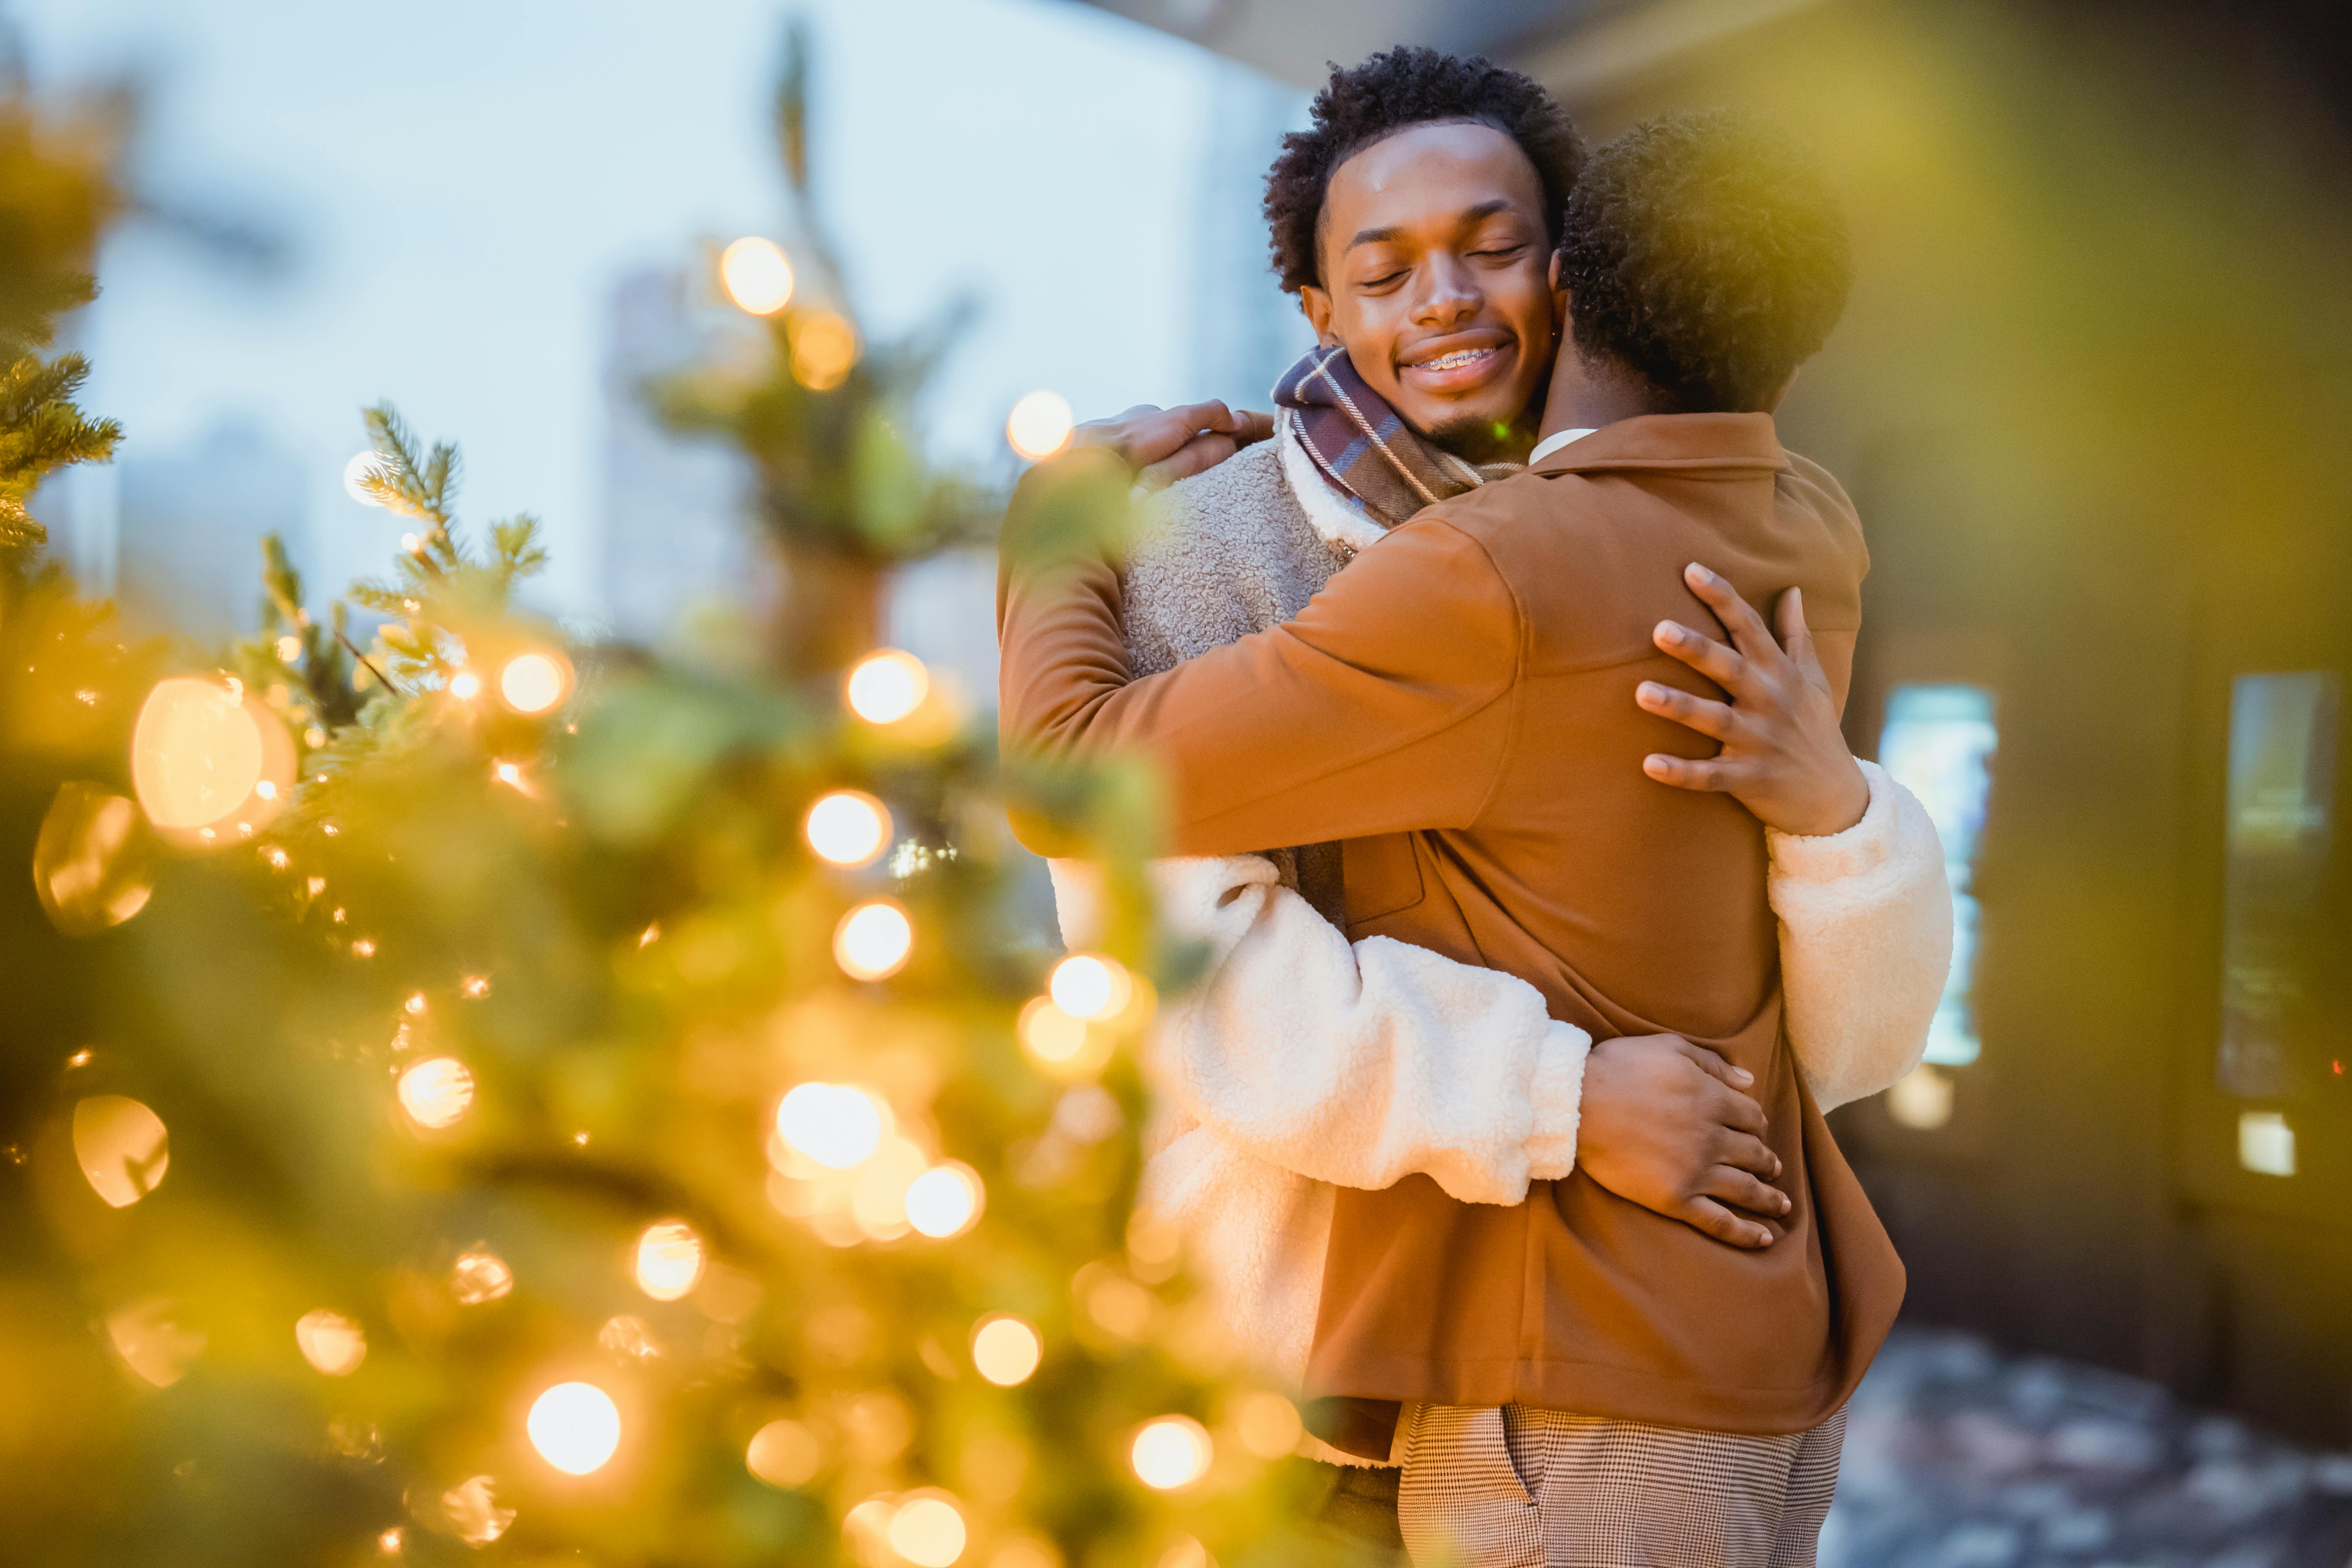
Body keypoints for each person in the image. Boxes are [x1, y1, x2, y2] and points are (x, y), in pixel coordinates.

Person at [1000, 81, 1919, 1564]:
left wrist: (1845, 817)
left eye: (1492, 248)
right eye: (1383, 270)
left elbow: (1815, 1010)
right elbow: (1190, 971)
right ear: (1316, 306)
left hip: (1570, 1363)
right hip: (1297, 1381)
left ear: (1570, 269)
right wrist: (1555, 1098)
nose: (1447, 302)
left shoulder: (1700, 532)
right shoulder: (1204, 556)